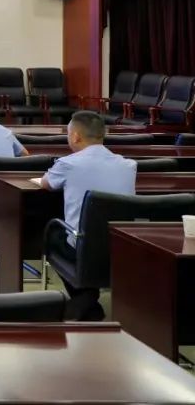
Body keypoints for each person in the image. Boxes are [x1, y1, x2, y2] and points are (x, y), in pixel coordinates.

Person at [40, 110, 136, 320]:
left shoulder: (68, 164)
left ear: (75, 136)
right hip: (123, 245)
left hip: (83, 247)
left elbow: (46, 183)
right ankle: (87, 300)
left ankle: (86, 298)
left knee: (51, 232)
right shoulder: (129, 165)